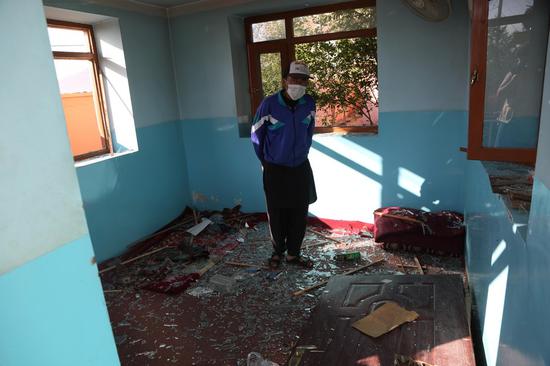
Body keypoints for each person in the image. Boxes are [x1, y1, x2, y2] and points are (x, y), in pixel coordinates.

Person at [251, 60, 317, 269]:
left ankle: (293, 254)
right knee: (277, 213)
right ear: (284, 80)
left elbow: (309, 130)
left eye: (303, 80)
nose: (298, 83)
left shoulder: (309, 103)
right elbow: (256, 136)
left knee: (299, 213)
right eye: (294, 78)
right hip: (275, 168)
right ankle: (278, 252)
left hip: (300, 166)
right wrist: (266, 162)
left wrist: (303, 151)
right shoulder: (269, 105)